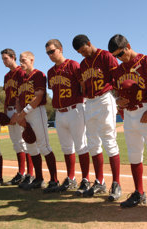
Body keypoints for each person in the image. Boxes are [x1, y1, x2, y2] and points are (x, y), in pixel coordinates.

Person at [108, 34, 147, 212]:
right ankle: (139, 192)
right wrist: (118, 100)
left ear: (128, 46)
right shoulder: (119, 71)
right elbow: (117, 92)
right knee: (134, 155)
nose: (118, 58)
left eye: (120, 54)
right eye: (115, 56)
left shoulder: (146, 61)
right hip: (129, 115)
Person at [72, 34, 121, 201]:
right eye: (79, 52)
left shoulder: (106, 56)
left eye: (84, 50)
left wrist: (120, 99)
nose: (83, 54)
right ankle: (99, 181)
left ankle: (116, 183)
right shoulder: (83, 64)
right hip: (90, 103)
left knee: (109, 140)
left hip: (105, 98)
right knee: (92, 143)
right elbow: (83, 86)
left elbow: (117, 79)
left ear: (89, 43)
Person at [45, 39, 90, 193]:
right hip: (60, 112)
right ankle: (71, 178)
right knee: (66, 148)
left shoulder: (73, 65)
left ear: (60, 49)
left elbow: (83, 86)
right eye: (48, 53)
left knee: (81, 145)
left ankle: (85, 179)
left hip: (75, 109)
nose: (50, 55)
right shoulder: (50, 72)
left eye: (52, 51)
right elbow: (53, 90)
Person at [15, 51, 59, 192]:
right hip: (24, 113)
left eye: (24, 60)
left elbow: (38, 97)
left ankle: (54, 180)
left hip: (36, 111)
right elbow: (17, 99)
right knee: (31, 147)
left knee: (43, 146)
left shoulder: (38, 75)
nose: (21, 63)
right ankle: (38, 179)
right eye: (20, 61)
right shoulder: (20, 77)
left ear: (32, 60)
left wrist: (23, 113)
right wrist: (18, 115)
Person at [1, 48, 34, 185]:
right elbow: (7, 96)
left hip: (18, 109)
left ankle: (30, 174)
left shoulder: (21, 72)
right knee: (16, 144)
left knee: (25, 142)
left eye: (6, 58)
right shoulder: (6, 76)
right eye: (2, 59)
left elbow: (22, 93)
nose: (3, 61)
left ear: (13, 57)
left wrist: (18, 112)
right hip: (9, 109)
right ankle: (21, 173)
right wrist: (4, 112)